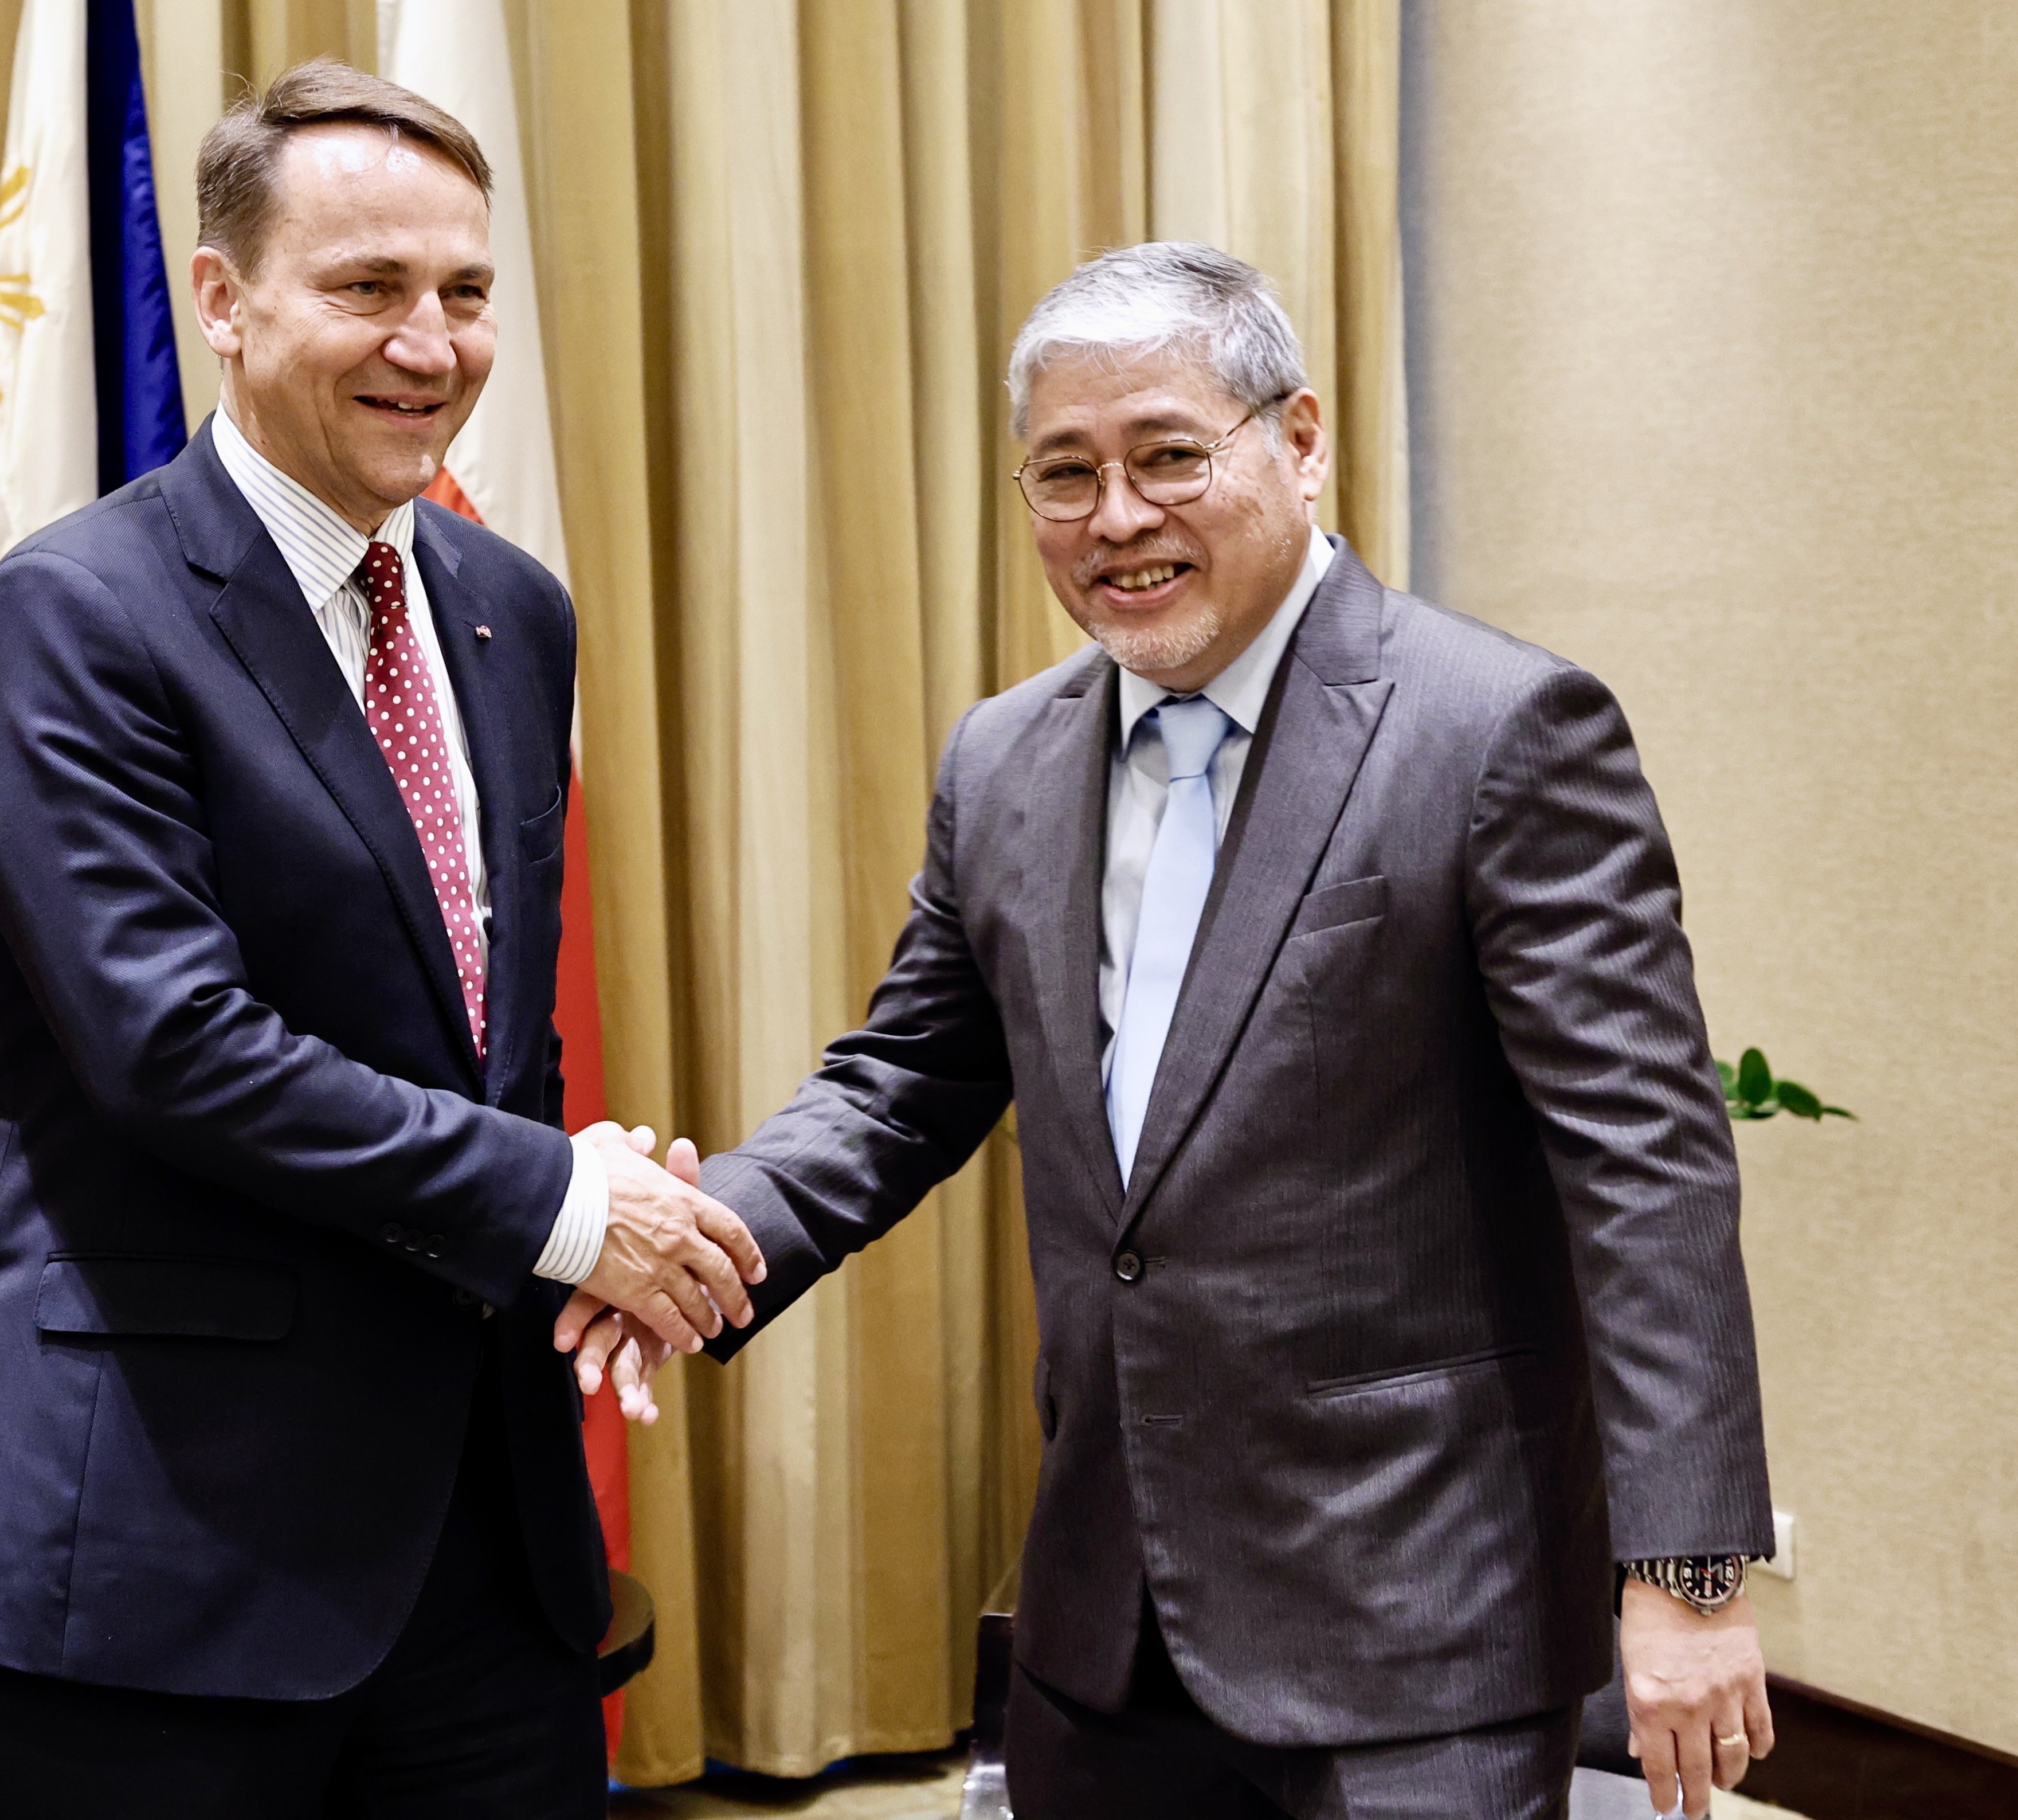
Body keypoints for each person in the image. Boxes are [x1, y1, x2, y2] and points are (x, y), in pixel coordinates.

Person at [565, 244, 1776, 1819]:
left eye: (1169, 457)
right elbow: (904, 1083)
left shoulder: (1498, 734)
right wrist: (694, 1236)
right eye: (1064, 475)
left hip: (1420, 1634)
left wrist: (1684, 1573)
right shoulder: (1004, 759)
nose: (1117, 519)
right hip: (1104, 1630)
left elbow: (1648, 1172)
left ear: (1301, 439)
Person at [0, 61, 759, 1820]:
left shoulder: (510, 609)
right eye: (369, 289)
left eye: (464, 294)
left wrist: (575, 1183)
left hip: (482, 1546)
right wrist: (563, 1202)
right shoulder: (75, 613)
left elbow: (478, 1036)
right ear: (222, 303)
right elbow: (171, 1047)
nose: (432, 345)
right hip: (171, 1551)